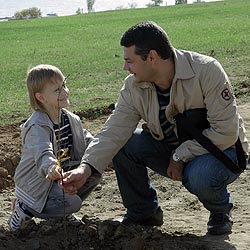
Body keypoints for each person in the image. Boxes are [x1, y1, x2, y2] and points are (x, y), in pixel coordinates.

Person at [61, 21, 249, 235]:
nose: (125, 68)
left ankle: (220, 210)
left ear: (151, 57)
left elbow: (225, 132)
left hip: (222, 151)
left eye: (129, 61)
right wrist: (85, 168)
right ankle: (143, 213)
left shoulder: (207, 71)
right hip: (172, 151)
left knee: (200, 176)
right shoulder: (133, 86)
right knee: (124, 143)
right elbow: (113, 131)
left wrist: (180, 155)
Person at [8, 64, 101, 231]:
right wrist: (50, 166)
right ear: (41, 98)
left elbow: (87, 140)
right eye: (58, 90)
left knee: (94, 172)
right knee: (72, 203)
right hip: (37, 183)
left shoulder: (71, 119)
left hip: (59, 178)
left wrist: (105, 150)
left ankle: (61, 212)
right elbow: (42, 151)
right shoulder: (37, 125)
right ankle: (24, 208)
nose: (65, 92)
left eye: (64, 85)